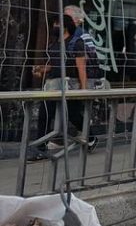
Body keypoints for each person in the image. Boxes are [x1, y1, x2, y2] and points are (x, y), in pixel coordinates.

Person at [32, 15, 97, 152]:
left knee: (73, 114)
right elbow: (53, 64)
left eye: (57, 24)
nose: (55, 27)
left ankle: (91, 137)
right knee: (45, 114)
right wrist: (42, 69)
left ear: (65, 25)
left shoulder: (76, 42)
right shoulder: (54, 43)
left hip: (70, 85)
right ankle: (40, 148)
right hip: (53, 85)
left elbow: (81, 67)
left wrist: (84, 90)